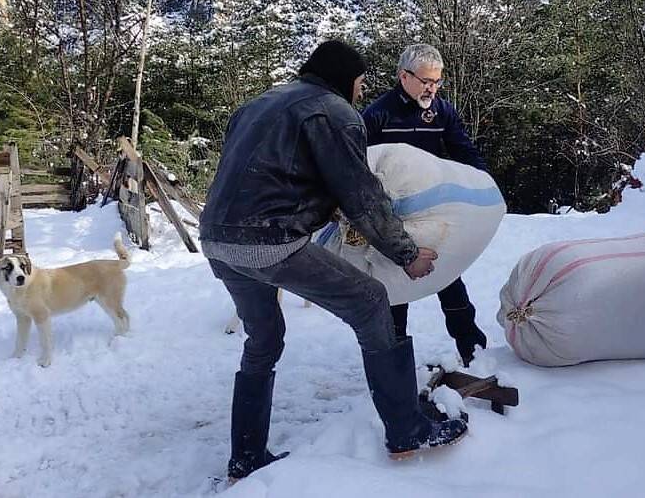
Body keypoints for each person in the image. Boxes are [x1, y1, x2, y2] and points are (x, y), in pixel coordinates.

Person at [199, 40, 467, 483]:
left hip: (219, 241)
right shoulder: (334, 112)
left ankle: (246, 456)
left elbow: (264, 173)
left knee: (263, 339)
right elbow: (362, 195)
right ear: (345, 78)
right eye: (360, 83)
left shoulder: (259, 103)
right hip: (271, 240)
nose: (361, 93)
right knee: (372, 303)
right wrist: (405, 254)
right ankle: (407, 431)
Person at [362, 43, 490, 365]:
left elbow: (464, 151)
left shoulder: (442, 111)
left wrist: (486, 182)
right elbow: (358, 165)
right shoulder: (377, 115)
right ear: (404, 77)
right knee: (393, 287)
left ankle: (472, 350)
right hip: (391, 216)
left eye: (437, 81)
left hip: (434, 210)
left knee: (447, 275)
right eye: (426, 81)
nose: (432, 88)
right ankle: (394, 363)